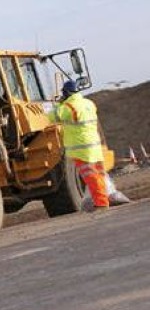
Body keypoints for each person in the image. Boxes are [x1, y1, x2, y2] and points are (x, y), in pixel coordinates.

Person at [48, 79, 109, 211]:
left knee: (91, 177)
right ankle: (103, 200)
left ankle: (101, 203)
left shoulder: (67, 108)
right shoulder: (89, 103)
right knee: (99, 174)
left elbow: (51, 117)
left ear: (66, 93)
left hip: (81, 150)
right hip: (94, 146)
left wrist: (59, 104)